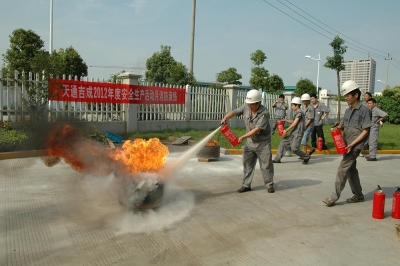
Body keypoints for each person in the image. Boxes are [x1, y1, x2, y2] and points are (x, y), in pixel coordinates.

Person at [323, 80, 372, 207]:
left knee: (342, 169)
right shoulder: (348, 110)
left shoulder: (364, 110)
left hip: (355, 145)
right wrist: (338, 127)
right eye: (345, 96)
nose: (346, 98)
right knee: (351, 170)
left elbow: (365, 130)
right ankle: (358, 195)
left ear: (356, 95)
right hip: (347, 144)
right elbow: (345, 125)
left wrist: (353, 144)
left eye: (348, 95)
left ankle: (334, 197)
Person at [221, 89, 275, 193]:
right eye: (248, 104)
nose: (249, 106)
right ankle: (246, 185)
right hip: (250, 142)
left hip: (263, 143)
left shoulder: (264, 113)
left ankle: (269, 184)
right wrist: (226, 117)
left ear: (258, 103)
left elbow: (256, 129)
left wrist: (242, 137)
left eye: (252, 105)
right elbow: (235, 112)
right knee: (247, 163)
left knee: (266, 164)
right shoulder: (246, 106)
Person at [272, 97, 311, 164]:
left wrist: (286, 130)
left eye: (293, 105)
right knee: (283, 143)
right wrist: (285, 120)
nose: (292, 107)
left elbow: (294, 124)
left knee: (294, 149)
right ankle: (277, 159)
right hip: (293, 133)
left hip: (297, 134)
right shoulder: (297, 113)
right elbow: (293, 121)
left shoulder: (300, 113)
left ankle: (306, 157)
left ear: (297, 105)